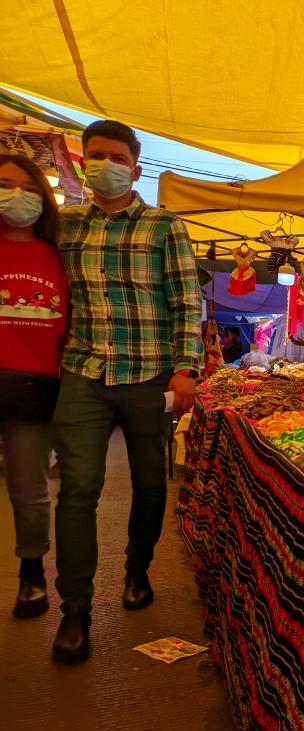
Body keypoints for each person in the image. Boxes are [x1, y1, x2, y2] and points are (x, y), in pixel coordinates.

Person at [51, 121, 203, 664]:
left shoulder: (165, 227)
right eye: (95, 156)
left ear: (136, 169)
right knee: (77, 491)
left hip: (150, 376)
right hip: (84, 373)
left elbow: (188, 302)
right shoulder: (66, 226)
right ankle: (75, 612)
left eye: (116, 157)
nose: (105, 164)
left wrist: (187, 368)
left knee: (149, 485)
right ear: (83, 163)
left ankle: (137, 567)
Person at [0, 153, 69, 619]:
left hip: (34, 385)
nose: (17, 195)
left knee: (28, 488)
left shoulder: (58, 256)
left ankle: (32, 574)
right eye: (6, 184)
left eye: (29, 187)